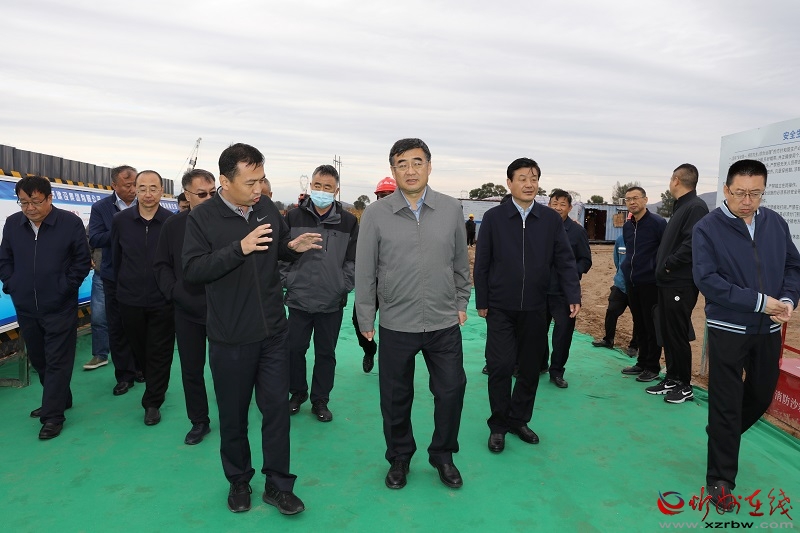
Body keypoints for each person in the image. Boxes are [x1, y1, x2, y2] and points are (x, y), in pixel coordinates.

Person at [183, 143, 321, 515]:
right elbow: (193, 270)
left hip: (273, 332)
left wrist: (292, 248)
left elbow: (276, 249)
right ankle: (239, 481)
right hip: (230, 338)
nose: (258, 188)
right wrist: (238, 248)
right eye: (250, 182)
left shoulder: (266, 209)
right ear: (225, 182)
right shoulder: (203, 218)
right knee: (233, 417)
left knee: (276, 413)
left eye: (261, 179)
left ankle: (278, 485)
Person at [356, 138, 471, 491]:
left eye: (417, 162)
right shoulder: (376, 214)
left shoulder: (451, 209)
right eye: (402, 164)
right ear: (393, 170)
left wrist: (461, 302)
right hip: (397, 322)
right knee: (395, 397)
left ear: (429, 166)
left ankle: (443, 455)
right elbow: (365, 271)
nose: (410, 170)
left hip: (443, 322)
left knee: (451, 390)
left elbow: (460, 261)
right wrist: (366, 317)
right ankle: (400, 457)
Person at [693, 159, 800, 512]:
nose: (747, 201)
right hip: (728, 328)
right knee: (726, 402)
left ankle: (721, 434)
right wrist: (760, 302)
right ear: (726, 189)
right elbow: (707, 279)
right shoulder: (708, 228)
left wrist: (787, 299)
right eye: (740, 193)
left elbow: (793, 266)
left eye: (756, 193)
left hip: (768, 329)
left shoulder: (775, 223)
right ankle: (721, 480)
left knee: (761, 394)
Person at [474, 159, 580, 454]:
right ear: (509, 183)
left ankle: (518, 420)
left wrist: (573, 293)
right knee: (500, 366)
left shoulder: (549, 220)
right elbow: (482, 262)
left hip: (536, 306)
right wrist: (482, 299)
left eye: (533, 178)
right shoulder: (494, 218)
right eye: (522, 178)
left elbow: (564, 259)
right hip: (500, 307)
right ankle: (498, 426)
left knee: (530, 368)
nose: (529, 184)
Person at [0, 176, 91, 439]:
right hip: (26, 306)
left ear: (49, 198)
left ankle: (53, 416)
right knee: (39, 359)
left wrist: (66, 288)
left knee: (57, 360)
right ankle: (60, 398)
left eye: (35, 201)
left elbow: (81, 260)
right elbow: (5, 259)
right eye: (23, 202)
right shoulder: (13, 224)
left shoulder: (69, 223)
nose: (29, 208)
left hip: (60, 306)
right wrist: (12, 284)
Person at [283, 164, 358, 422]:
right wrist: (288, 280)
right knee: (294, 349)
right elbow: (281, 253)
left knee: (326, 353)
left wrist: (341, 285)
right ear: (310, 186)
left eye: (327, 187)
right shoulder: (293, 217)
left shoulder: (348, 222)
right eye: (317, 185)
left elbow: (353, 261)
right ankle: (297, 393)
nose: (322, 191)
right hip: (298, 298)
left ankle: (320, 400)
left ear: (336, 190)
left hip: (331, 301)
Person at [154, 169, 216, 444]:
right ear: (187, 196)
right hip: (187, 311)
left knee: (227, 369)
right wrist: (175, 292)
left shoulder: (229, 223)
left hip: (224, 310)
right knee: (191, 369)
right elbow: (161, 265)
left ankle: (232, 417)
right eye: (201, 194)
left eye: (213, 193)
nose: (208, 199)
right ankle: (199, 421)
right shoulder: (173, 226)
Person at [112, 170, 175, 426]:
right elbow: (116, 258)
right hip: (130, 299)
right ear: (135, 191)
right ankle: (152, 383)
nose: (148, 194)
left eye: (153, 188)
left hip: (163, 300)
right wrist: (121, 288)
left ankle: (152, 402)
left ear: (162, 191)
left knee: (160, 351)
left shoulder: (172, 222)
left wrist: (172, 291)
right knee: (140, 350)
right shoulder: (120, 221)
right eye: (142, 188)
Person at [645, 164, 709, 403]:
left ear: (676, 180)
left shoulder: (696, 207)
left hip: (680, 282)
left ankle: (684, 384)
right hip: (668, 281)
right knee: (668, 331)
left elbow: (692, 243)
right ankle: (672, 377)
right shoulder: (682, 206)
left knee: (678, 332)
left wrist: (669, 264)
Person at [88, 165, 141, 394]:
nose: (132, 189)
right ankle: (124, 375)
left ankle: (140, 368)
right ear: (114, 186)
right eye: (127, 185)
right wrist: (123, 228)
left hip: (142, 276)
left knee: (140, 325)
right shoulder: (101, 208)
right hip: (112, 276)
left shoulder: (146, 204)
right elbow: (95, 238)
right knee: (117, 327)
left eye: (135, 184)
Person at [541, 189, 591, 388]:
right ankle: (539, 365)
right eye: (554, 203)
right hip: (539, 291)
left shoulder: (577, 232)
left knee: (562, 336)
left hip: (564, 293)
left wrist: (568, 271)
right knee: (535, 332)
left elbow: (585, 261)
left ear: (570, 208)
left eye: (562, 204)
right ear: (548, 206)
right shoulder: (539, 228)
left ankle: (557, 372)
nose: (558, 208)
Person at [620, 187, 666, 382]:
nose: (632, 202)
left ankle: (652, 366)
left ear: (645, 200)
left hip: (651, 283)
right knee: (639, 324)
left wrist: (657, 272)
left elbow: (666, 250)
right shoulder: (627, 226)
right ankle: (641, 362)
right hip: (632, 282)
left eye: (636, 198)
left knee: (651, 325)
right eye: (628, 199)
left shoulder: (658, 223)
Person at [354, 176, 397, 373]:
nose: (385, 199)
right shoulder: (370, 217)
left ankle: (392, 363)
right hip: (372, 280)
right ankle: (369, 349)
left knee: (395, 324)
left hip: (396, 282)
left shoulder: (406, 219)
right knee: (359, 319)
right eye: (382, 195)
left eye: (390, 195)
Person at [591, 234, 638, 357]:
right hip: (620, 285)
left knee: (638, 318)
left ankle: (634, 346)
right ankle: (608, 340)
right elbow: (617, 261)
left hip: (637, 288)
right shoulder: (620, 240)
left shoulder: (645, 239)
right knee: (611, 311)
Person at [85, 241, 110, 370]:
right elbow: (89, 237)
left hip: (126, 273)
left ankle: (132, 355)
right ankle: (100, 354)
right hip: (101, 274)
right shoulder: (99, 224)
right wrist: (89, 256)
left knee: (128, 316)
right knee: (98, 316)